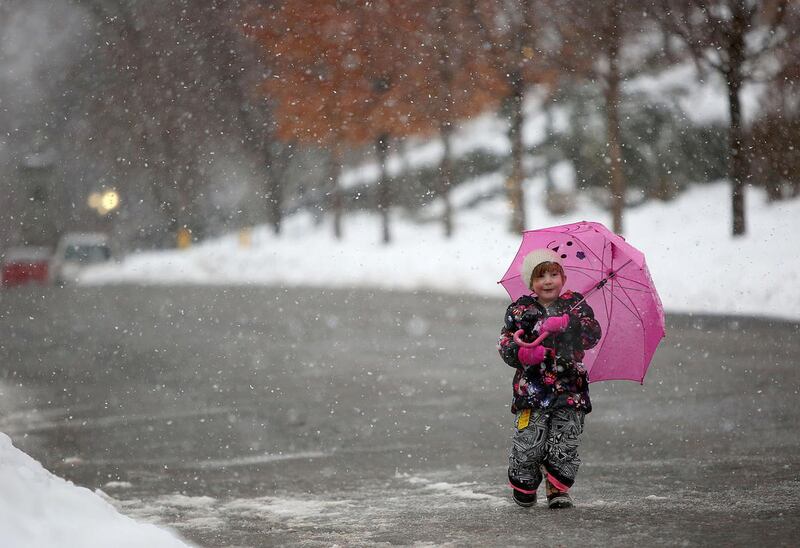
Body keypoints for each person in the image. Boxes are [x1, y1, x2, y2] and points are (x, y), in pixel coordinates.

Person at [497, 248, 601, 509]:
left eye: (554, 274)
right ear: (531, 282)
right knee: (530, 439)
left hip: (570, 388)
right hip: (532, 390)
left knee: (566, 439)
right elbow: (506, 341)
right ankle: (525, 479)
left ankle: (557, 488)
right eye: (541, 276)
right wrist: (522, 352)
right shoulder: (521, 311)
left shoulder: (576, 306)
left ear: (563, 278)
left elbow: (592, 336)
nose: (548, 281)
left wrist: (569, 324)